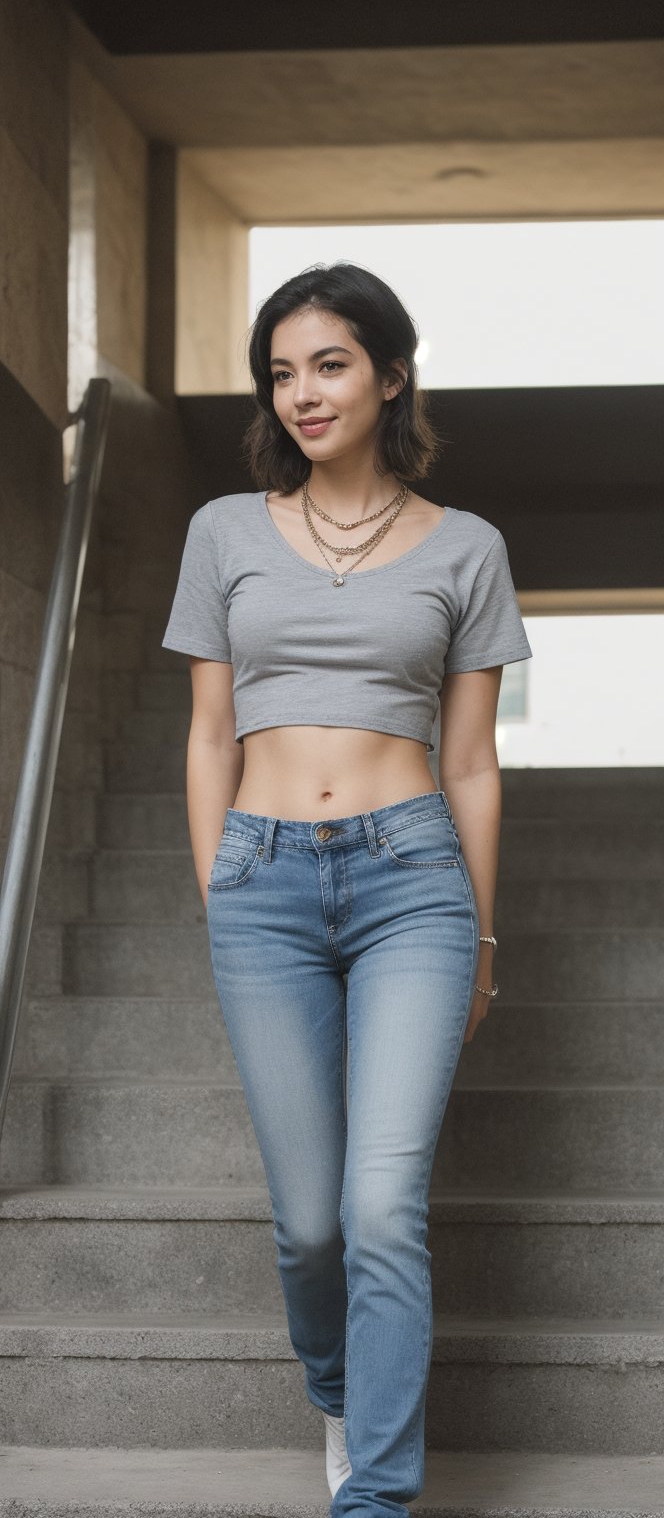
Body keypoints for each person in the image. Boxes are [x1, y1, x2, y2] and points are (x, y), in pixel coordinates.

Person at [162, 261, 532, 1517]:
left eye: (329, 364)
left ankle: (374, 1494)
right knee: (310, 1227)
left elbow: (473, 762)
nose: (304, 392)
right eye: (282, 371)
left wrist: (480, 935)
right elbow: (210, 731)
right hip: (262, 882)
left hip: (412, 880)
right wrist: (222, 887)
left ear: (390, 373)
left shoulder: (468, 548)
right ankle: (337, 1384)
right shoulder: (223, 530)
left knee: (381, 1207)